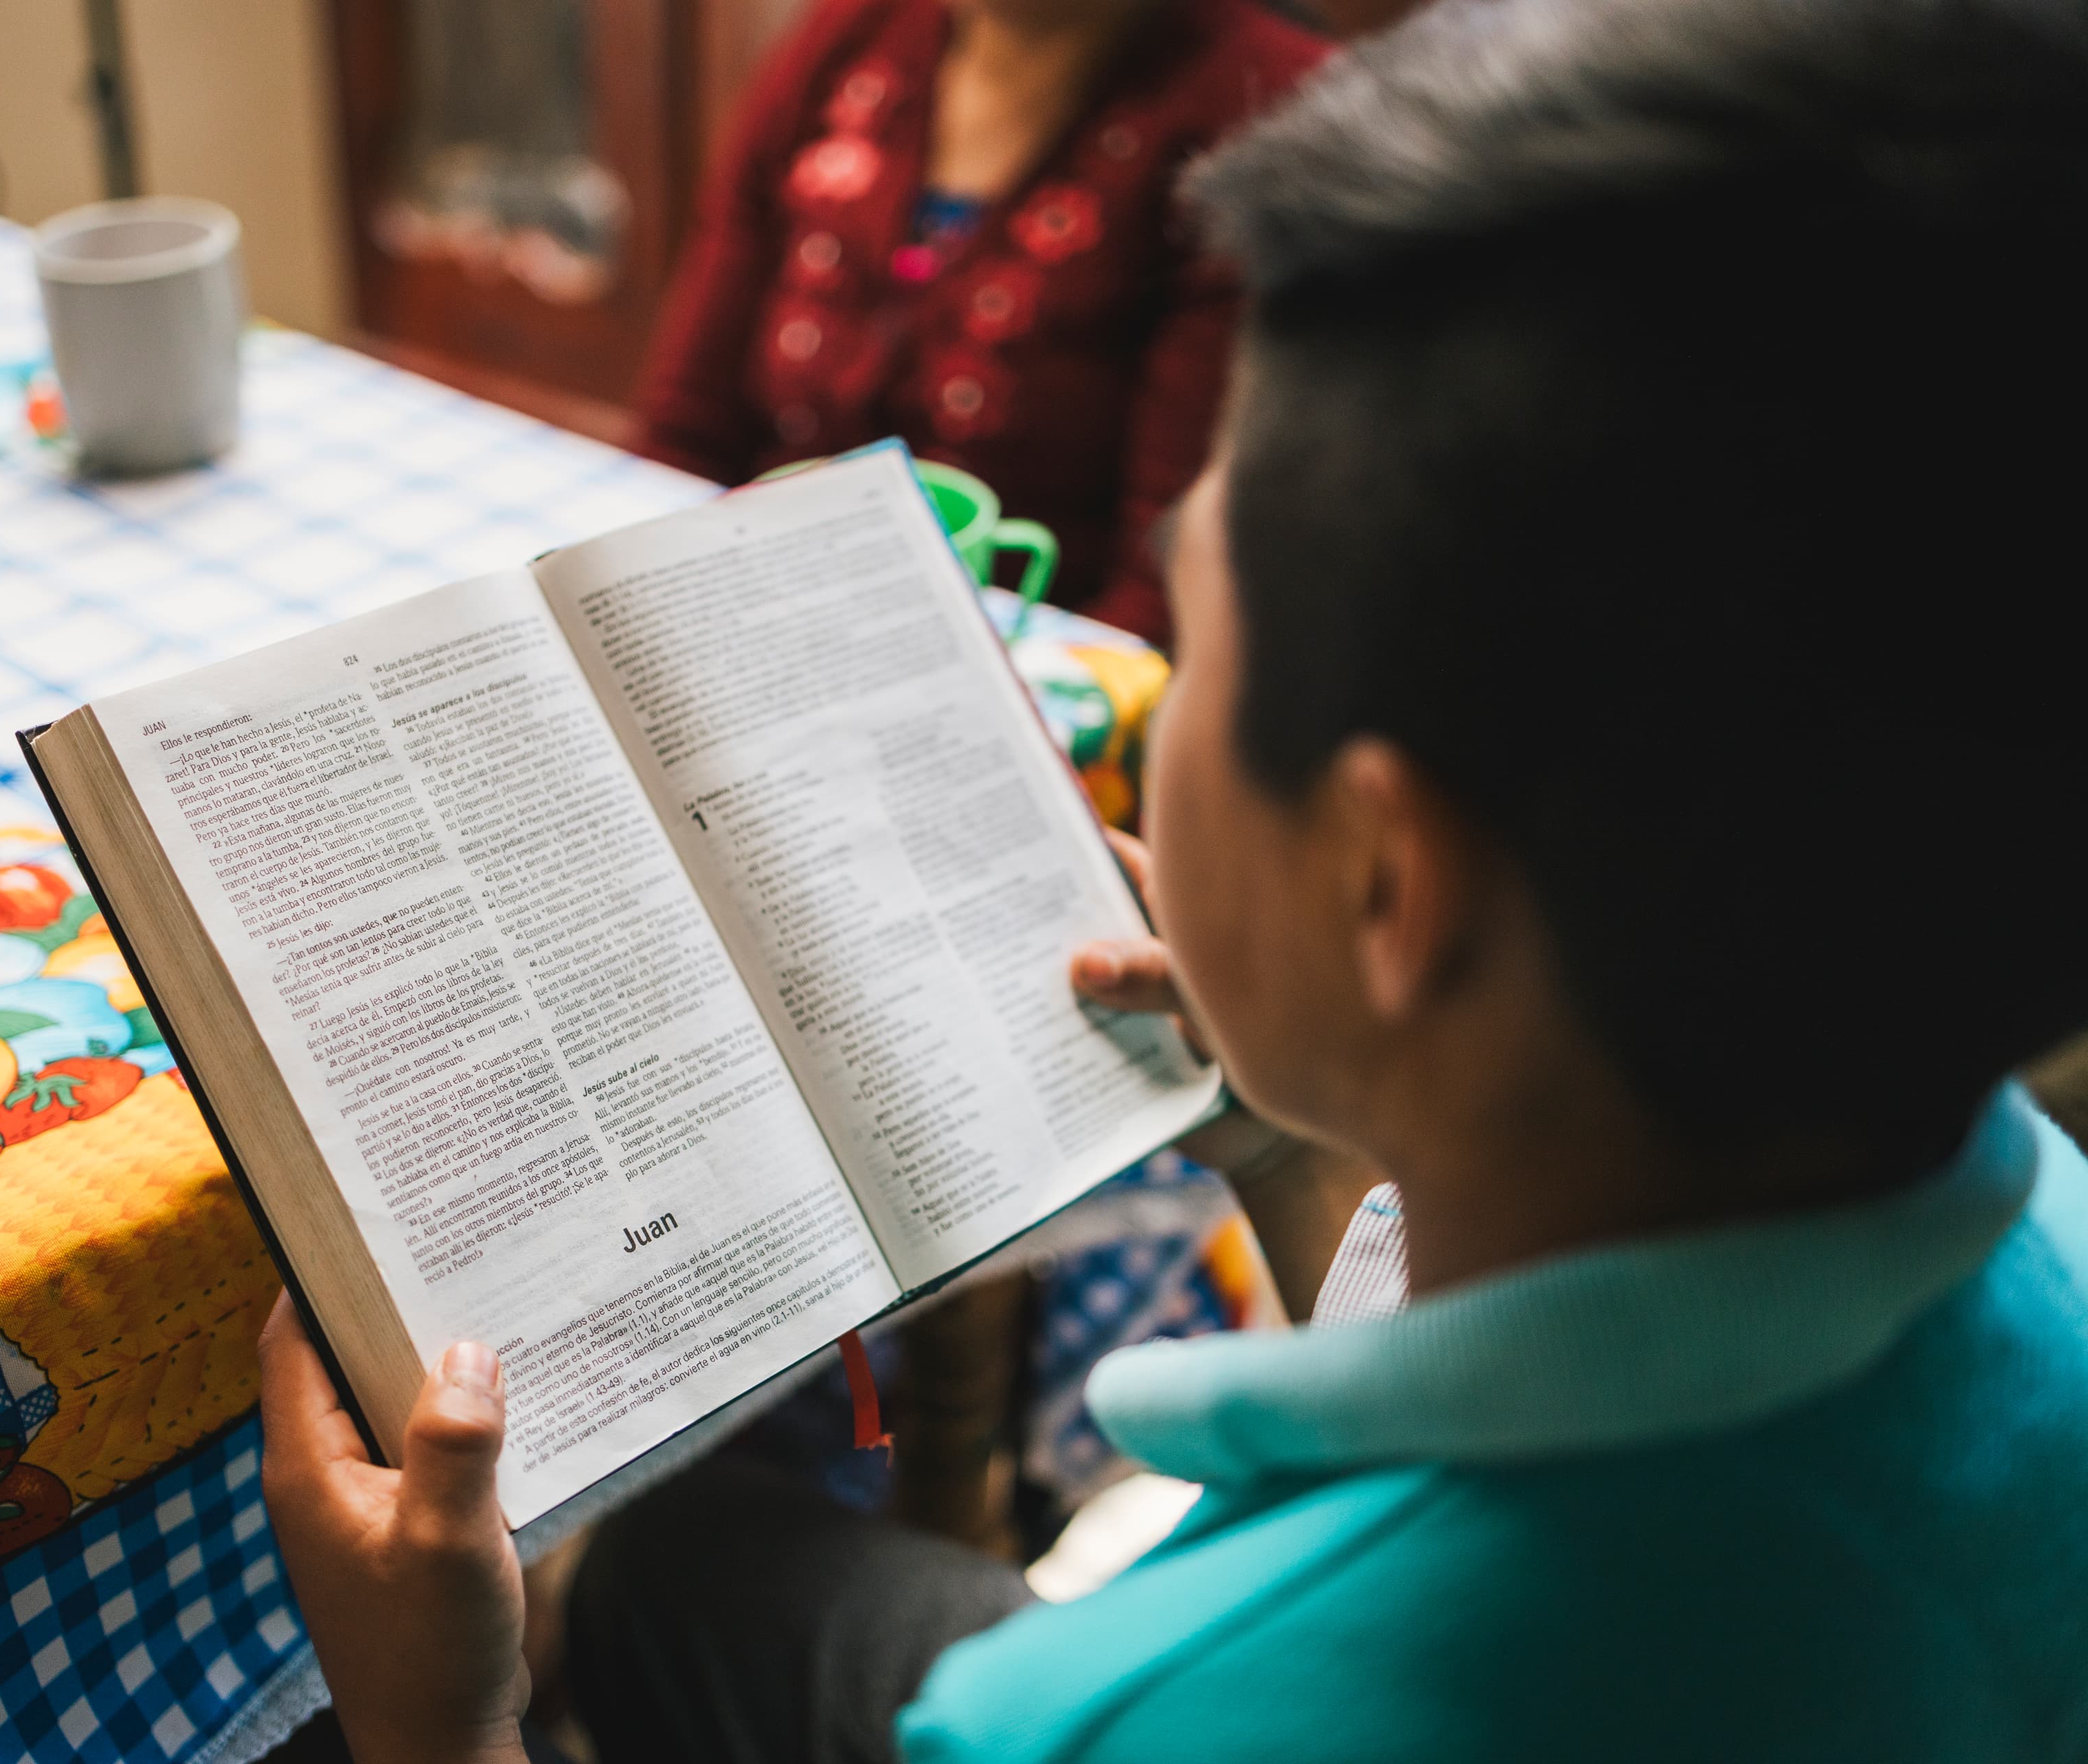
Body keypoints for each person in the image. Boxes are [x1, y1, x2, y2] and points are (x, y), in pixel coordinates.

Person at [257, 0, 2088, 1758]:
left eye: (1193, 641)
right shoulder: (2051, 1248)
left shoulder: (1110, 1726)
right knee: (694, 1576)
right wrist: (1301, 1152)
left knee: (653, 1600)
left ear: (1387, 891)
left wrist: (440, 1726)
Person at [632, 0, 1328, 646]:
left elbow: (1167, 589)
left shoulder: (1261, 112)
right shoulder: (853, 36)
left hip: (1035, 666)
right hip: (764, 611)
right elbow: (687, 431)